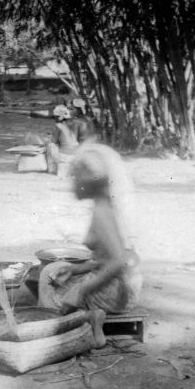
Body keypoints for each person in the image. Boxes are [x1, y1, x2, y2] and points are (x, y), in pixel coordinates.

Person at [37, 141, 142, 348]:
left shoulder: (102, 212)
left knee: (47, 282)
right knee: (54, 270)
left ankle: (84, 321)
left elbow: (120, 261)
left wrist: (81, 290)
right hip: (117, 287)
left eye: (75, 177)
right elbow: (105, 259)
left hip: (116, 293)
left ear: (89, 180)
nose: (71, 183)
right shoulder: (103, 205)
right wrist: (76, 269)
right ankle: (90, 317)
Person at [45, 104, 81, 175]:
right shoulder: (78, 125)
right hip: (76, 156)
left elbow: (54, 141)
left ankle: (52, 170)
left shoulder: (59, 126)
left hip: (64, 156)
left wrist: (51, 138)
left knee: (49, 144)